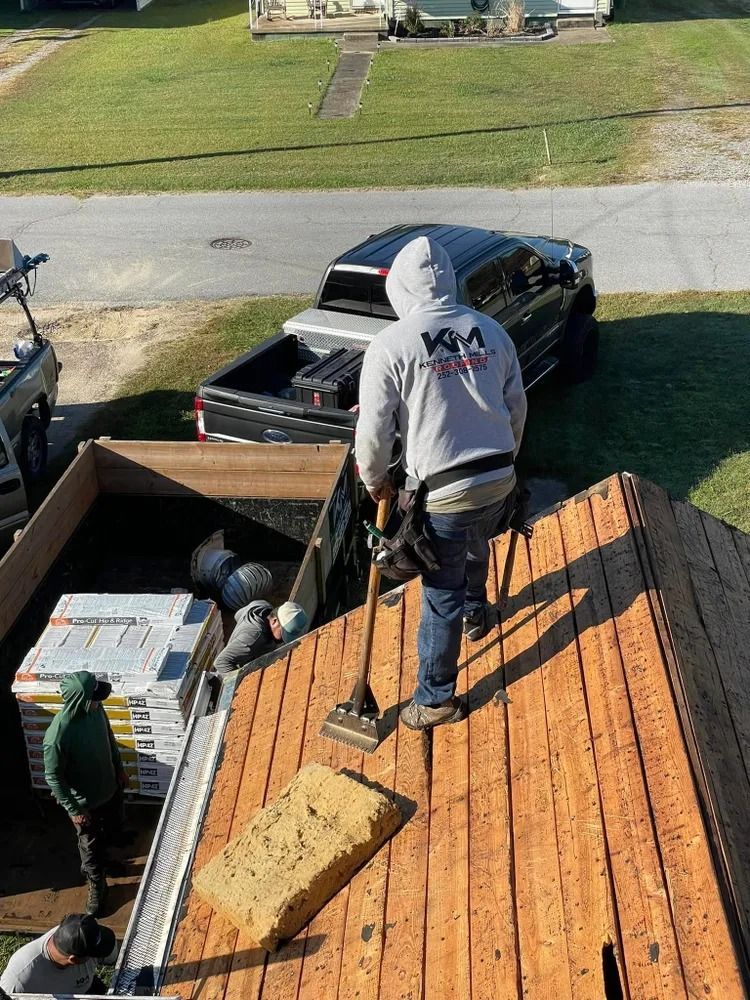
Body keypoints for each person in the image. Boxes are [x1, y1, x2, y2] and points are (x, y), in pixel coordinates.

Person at [356, 235, 527, 732]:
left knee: (440, 589)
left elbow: (373, 431)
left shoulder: (392, 346)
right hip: (499, 477)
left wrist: (374, 480)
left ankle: (434, 700)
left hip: (445, 490)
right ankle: (477, 613)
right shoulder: (491, 331)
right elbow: (516, 406)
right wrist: (506, 462)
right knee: (474, 538)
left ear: (400, 288)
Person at [43, 671, 130, 917]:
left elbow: (109, 738)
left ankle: (105, 862)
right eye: (95, 698)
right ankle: (96, 883)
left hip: (109, 789)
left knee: (111, 831)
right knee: (89, 846)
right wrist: (74, 809)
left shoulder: (97, 710)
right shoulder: (58, 735)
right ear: (80, 701)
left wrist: (119, 769)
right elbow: (53, 776)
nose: (99, 701)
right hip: (85, 805)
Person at [0, 913, 118, 996]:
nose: (97, 957)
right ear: (73, 960)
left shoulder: (78, 933)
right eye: (94, 954)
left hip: (85, 989)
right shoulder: (19, 979)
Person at [213, 600, 309, 675]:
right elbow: (221, 663)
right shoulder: (252, 638)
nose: (283, 640)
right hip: (231, 673)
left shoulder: (262, 605)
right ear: (274, 621)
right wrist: (241, 683)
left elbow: (238, 615)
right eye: (284, 634)